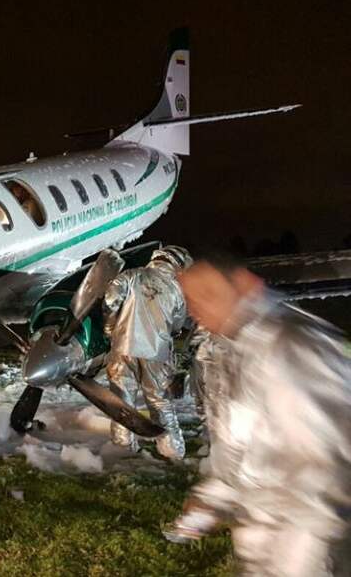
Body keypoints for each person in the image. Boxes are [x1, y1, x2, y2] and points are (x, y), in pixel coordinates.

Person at [167, 256, 351, 576]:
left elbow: (329, 465)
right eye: (191, 301)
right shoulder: (225, 351)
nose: (198, 310)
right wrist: (212, 499)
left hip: (309, 543)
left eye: (208, 295)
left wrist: (298, 553)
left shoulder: (292, 346)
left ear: (246, 284)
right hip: (263, 537)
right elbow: (239, 447)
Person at [102, 245, 192, 460]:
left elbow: (110, 300)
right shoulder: (177, 289)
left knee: (122, 401)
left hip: (123, 347)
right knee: (160, 401)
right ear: (177, 264)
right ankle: (172, 451)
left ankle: (122, 449)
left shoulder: (131, 276)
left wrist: (110, 327)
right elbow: (178, 324)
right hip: (158, 353)